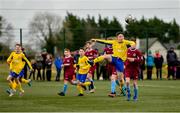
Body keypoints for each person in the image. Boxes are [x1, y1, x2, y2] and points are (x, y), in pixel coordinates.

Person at [90, 32, 135, 97]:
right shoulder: (114, 42)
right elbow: (105, 41)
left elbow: (132, 42)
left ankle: (125, 88)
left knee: (120, 79)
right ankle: (92, 62)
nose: (121, 37)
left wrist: (133, 44)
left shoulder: (125, 42)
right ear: (117, 37)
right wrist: (96, 40)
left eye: (122, 36)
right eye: (120, 36)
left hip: (120, 61)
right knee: (105, 56)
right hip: (114, 59)